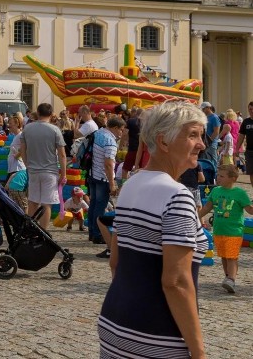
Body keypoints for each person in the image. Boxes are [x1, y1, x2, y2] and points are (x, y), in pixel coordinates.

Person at [98, 100, 207, 359]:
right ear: (164, 142)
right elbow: (176, 281)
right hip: (157, 334)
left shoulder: (131, 185)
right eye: (193, 135)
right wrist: (199, 352)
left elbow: (116, 262)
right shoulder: (177, 196)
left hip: (116, 322)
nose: (201, 144)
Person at [198, 164, 253, 293]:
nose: (218, 178)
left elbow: (249, 210)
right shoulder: (216, 191)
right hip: (219, 230)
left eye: (222, 176)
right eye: (218, 175)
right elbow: (207, 207)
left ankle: (231, 280)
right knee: (223, 256)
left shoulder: (240, 193)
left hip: (234, 231)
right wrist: (195, 217)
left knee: (231, 256)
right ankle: (227, 278)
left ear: (233, 178)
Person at [19, 103, 67, 230]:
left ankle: (30, 229)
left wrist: (27, 164)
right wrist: (64, 173)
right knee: (47, 204)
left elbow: (22, 149)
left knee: (33, 202)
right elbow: (62, 155)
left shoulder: (27, 128)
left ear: (38, 113)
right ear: (51, 115)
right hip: (50, 171)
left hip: (33, 170)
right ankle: (44, 232)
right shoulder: (55, 130)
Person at [88, 117, 124, 257]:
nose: (121, 133)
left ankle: (92, 231)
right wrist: (112, 183)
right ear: (115, 128)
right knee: (100, 206)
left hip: (92, 174)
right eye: (120, 130)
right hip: (103, 177)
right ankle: (98, 233)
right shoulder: (110, 141)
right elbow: (109, 164)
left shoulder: (98, 133)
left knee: (93, 204)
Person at [237, 101, 253, 184]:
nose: (252, 111)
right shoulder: (246, 122)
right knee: (251, 173)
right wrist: (237, 149)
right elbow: (241, 136)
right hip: (250, 151)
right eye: (250, 109)